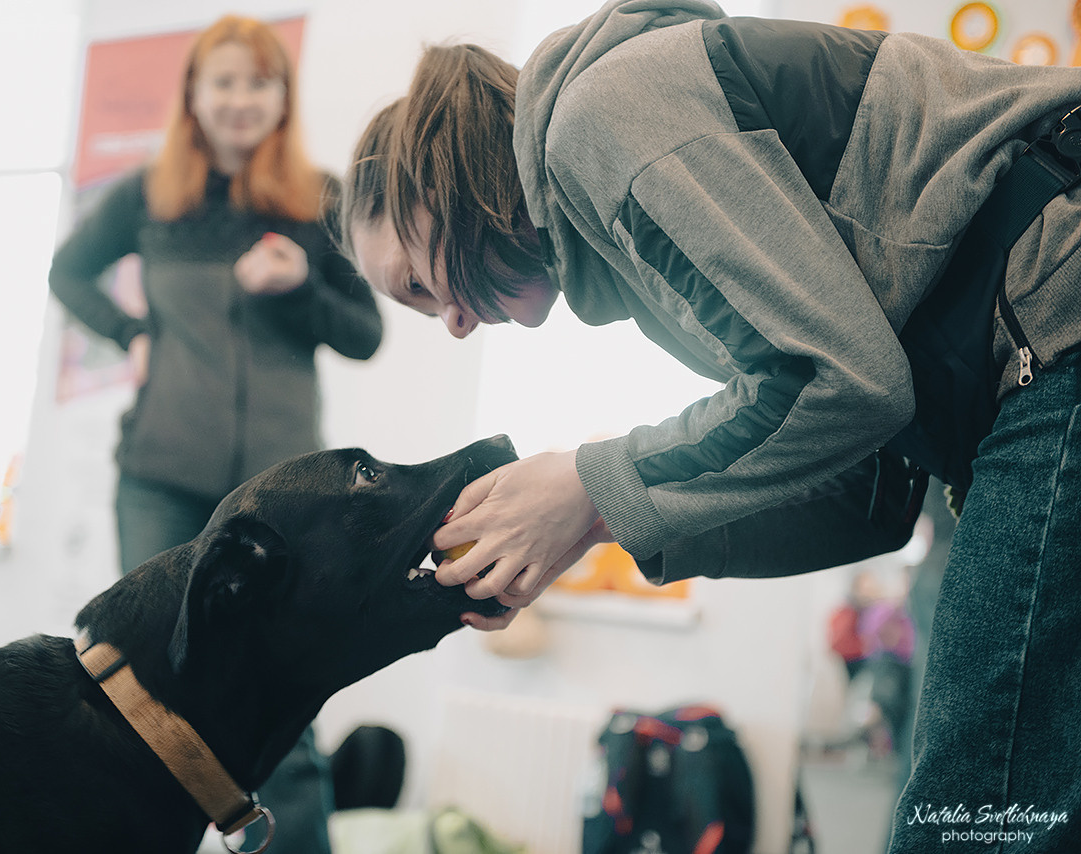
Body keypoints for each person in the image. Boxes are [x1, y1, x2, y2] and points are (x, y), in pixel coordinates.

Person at [340, 2, 1080, 851]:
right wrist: (598, 524)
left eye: (418, 287)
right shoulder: (637, 238)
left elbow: (838, 383)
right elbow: (868, 494)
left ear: (434, 178)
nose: (455, 326)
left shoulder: (601, 114)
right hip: (1029, 362)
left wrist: (588, 485)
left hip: (1055, 315)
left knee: (974, 817)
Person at [49, 15, 382, 854]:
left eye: (258, 82)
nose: (241, 99)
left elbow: (365, 332)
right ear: (194, 95)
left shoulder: (319, 199)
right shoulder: (147, 196)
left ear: (282, 96)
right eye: (224, 81)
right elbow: (68, 271)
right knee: (145, 695)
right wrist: (131, 335)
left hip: (281, 499)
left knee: (286, 697)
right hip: (159, 475)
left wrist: (303, 282)